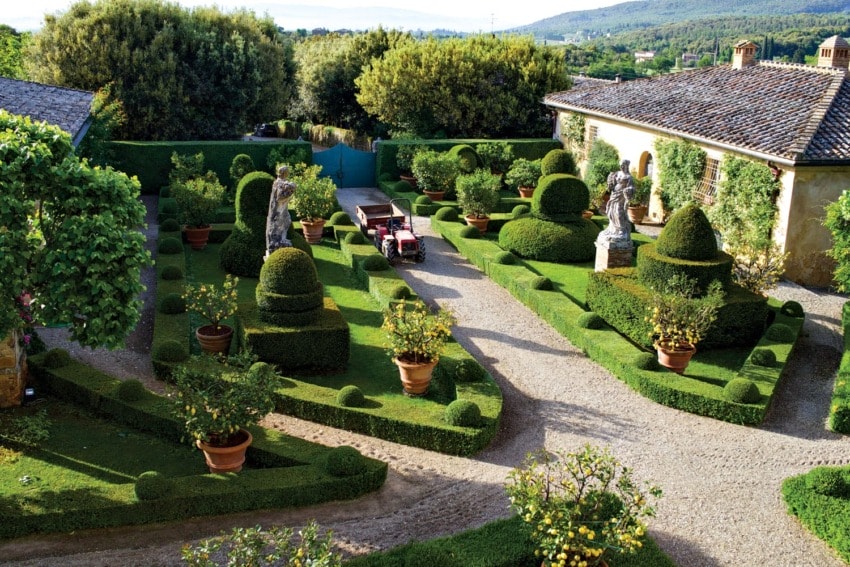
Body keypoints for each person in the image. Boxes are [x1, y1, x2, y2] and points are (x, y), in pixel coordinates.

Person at [599, 159, 635, 242]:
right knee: (611, 210)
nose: (621, 166)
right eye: (621, 165)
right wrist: (610, 184)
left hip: (621, 196)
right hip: (614, 194)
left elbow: (632, 188)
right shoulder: (617, 173)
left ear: (626, 166)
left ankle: (621, 230)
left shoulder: (629, 177)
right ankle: (612, 229)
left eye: (623, 165)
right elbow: (612, 183)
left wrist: (629, 190)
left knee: (619, 212)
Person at [265, 165, 297, 257]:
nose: (287, 174)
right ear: (284, 173)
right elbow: (280, 197)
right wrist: (290, 190)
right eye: (287, 172)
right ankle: (276, 243)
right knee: (278, 226)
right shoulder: (278, 183)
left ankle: (282, 239)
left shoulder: (281, 182)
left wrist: (290, 187)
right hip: (277, 211)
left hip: (282, 210)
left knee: (286, 221)